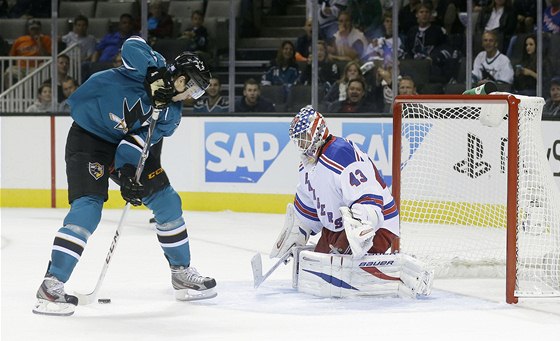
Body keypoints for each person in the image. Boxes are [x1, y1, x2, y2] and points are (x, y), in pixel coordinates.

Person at [32, 36, 216, 316]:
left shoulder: (171, 115)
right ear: (180, 76)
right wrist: (153, 75)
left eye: (198, 92)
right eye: (192, 87)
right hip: (88, 139)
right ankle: (52, 283)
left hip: (122, 146)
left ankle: (181, 273)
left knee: (167, 202)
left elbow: (138, 144)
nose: (192, 95)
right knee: (87, 209)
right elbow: (131, 45)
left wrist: (130, 174)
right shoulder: (153, 65)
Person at [4, 18, 51, 87]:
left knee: (42, 69)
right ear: (28, 30)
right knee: (9, 71)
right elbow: (11, 56)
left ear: (40, 29)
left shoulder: (46, 39)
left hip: (35, 68)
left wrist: (39, 43)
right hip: (19, 67)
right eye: (33, 29)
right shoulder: (20, 40)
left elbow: (47, 57)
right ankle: (11, 95)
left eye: (37, 29)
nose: (35, 31)